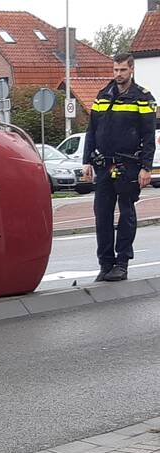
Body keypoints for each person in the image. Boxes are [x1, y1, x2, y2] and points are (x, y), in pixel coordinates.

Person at [82, 53, 157, 282]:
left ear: (131, 70)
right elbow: (92, 129)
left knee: (126, 214)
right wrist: (86, 161)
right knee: (102, 215)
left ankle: (122, 263)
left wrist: (146, 167)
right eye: (115, 70)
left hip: (129, 165)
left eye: (123, 70)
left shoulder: (142, 98)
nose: (118, 74)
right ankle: (105, 264)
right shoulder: (103, 95)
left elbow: (148, 136)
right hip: (104, 164)